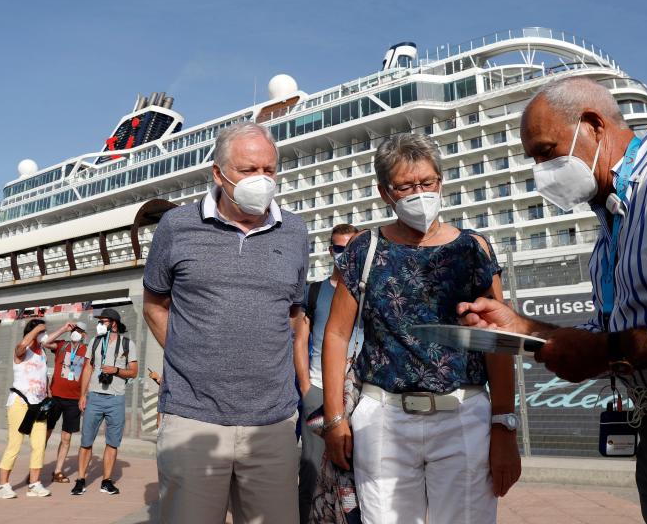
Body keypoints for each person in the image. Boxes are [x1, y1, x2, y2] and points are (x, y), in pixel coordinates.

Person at [458, 76, 647, 524]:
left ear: (594, 124)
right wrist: (524, 328)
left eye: (546, 151)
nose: (541, 170)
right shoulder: (611, 221)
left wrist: (612, 351)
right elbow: (610, 334)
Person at [322, 133, 521, 524]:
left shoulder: (472, 248)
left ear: (440, 182)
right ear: (385, 192)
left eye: (427, 183)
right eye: (406, 186)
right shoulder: (364, 249)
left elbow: (496, 338)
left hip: (464, 414)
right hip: (383, 416)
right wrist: (335, 420)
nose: (420, 193)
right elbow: (336, 334)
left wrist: (504, 426)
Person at [143, 121, 309, 524]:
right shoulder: (177, 226)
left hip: (272, 421)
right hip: (192, 418)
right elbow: (154, 304)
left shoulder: (295, 231)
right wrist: (191, 357)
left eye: (269, 170)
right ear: (218, 173)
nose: (262, 181)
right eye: (249, 171)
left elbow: (294, 313)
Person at [294, 223, 359, 524]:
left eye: (351, 248)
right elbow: (300, 340)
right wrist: (306, 387)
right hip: (319, 389)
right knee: (311, 471)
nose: (344, 255)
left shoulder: (369, 293)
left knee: (361, 474)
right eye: (338, 248)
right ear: (331, 250)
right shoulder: (315, 291)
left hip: (361, 394)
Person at [70, 307, 138, 497]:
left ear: (113, 323)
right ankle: (81, 479)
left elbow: (133, 371)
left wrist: (116, 370)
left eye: (103, 321)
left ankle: (106, 482)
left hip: (116, 399)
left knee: (113, 442)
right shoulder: (94, 342)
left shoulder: (127, 344)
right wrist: (83, 395)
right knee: (86, 441)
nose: (100, 324)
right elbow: (87, 370)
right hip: (95, 397)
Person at [0, 319, 51, 499]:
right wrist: (36, 330)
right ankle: (3, 486)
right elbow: (20, 347)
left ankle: (34, 484)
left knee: (39, 446)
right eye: (39, 332)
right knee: (14, 445)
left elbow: (44, 377)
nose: (43, 334)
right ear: (32, 333)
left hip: (39, 405)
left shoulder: (43, 353)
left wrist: (48, 395)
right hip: (20, 403)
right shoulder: (22, 351)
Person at [43, 320, 89, 484]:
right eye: (73, 329)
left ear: (84, 334)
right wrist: (63, 328)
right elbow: (46, 342)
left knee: (66, 438)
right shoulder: (62, 345)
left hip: (73, 400)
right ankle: (35, 468)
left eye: (78, 330)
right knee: (45, 435)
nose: (75, 332)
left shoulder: (87, 351)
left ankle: (58, 471)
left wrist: (85, 396)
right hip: (55, 397)